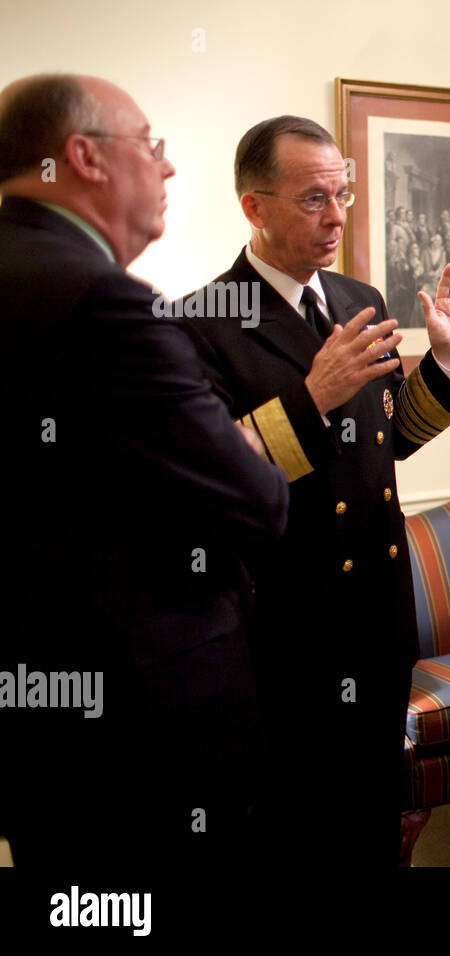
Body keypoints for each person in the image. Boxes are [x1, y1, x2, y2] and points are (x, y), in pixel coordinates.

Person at [0, 73, 289, 865]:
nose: (165, 168)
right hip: (145, 731)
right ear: (84, 157)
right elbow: (256, 501)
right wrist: (262, 441)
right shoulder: (112, 303)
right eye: (150, 145)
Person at [182, 115, 450, 866]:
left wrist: (446, 365)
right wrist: (309, 400)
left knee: (371, 822)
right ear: (254, 206)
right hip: (285, 627)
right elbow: (225, 482)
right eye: (313, 199)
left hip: (377, 617)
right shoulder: (201, 322)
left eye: (341, 194)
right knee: (297, 829)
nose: (337, 216)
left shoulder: (359, 297)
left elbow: (390, 443)